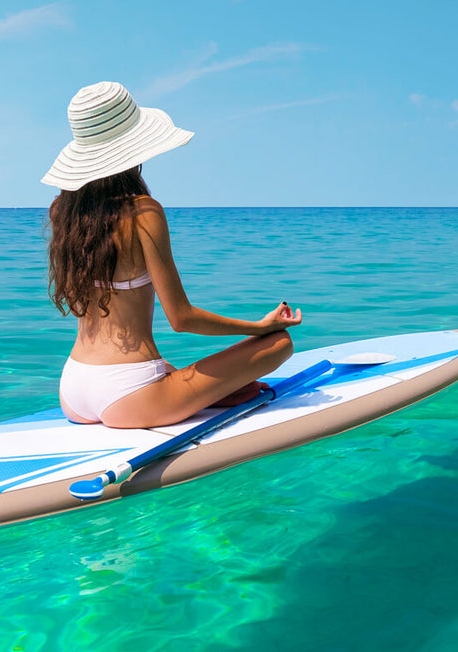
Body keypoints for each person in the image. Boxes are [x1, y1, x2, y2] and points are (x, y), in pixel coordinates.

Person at [42, 82, 302, 429]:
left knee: (175, 371)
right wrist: (259, 327)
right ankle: (212, 388)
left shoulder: (65, 213)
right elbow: (182, 319)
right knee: (278, 345)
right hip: (130, 393)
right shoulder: (143, 212)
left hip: (73, 387)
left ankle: (208, 391)